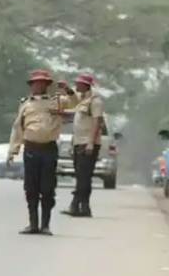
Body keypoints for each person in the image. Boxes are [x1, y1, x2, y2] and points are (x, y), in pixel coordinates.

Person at [6, 70, 79, 235]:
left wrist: (67, 89)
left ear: (47, 85)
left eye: (42, 83)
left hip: (48, 149)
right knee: (31, 188)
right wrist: (12, 151)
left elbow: (75, 102)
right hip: (31, 148)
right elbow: (18, 128)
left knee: (47, 188)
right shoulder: (26, 104)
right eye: (36, 83)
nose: (39, 86)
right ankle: (33, 224)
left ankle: (45, 225)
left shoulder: (57, 101)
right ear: (31, 86)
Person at [62, 74, 103, 218]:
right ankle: (83, 206)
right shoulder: (82, 99)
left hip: (88, 143)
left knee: (84, 176)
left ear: (86, 85)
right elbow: (73, 100)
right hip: (79, 142)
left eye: (79, 84)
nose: (77, 86)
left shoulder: (95, 101)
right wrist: (66, 89)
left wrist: (91, 142)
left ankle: (76, 205)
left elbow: (97, 122)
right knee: (80, 176)